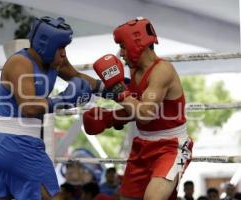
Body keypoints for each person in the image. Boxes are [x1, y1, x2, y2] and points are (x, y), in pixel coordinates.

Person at [0, 16, 104, 200]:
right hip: (18, 144)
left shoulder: (54, 61)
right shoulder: (20, 63)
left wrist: (110, 89)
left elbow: (77, 77)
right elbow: (29, 108)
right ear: (45, 44)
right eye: (61, 47)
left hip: (1, 145)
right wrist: (63, 100)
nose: (64, 53)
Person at [83, 17, 193, 200]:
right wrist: (111, 118)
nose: (121, 53)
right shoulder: (134, 71)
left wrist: (118, 90)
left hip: (172, 146)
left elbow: (146, 113)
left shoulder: (162, 70)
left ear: (137, 43)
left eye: (123, 46)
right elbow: (136, 107)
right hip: (142, 144)